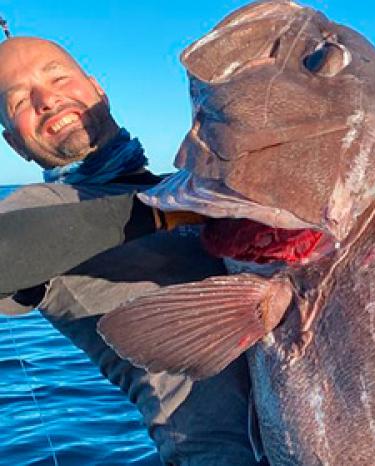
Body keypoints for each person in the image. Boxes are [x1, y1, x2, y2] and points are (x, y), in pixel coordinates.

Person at [0, 36, 262, 465]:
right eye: (20, 102)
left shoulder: (184, 189)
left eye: (58, 77)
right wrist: (165, 214)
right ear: (14, 143)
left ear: (96, 88)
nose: (46, 99)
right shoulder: (35, 210)